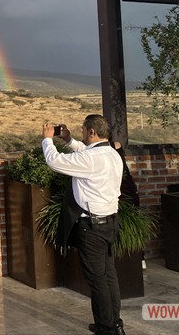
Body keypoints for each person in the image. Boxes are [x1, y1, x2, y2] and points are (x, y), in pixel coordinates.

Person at [43, 115, 125, 335]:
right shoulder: (112, 154)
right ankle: (114, 322)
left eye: (82, 130)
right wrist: (68, 139)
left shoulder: (92, 159)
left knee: (97, 280)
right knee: (109, 275)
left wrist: (48, 139)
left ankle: (106, 328)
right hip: (110, 223)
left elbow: (54, 161)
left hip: (92, 227)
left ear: (91, 132)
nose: (81, 133)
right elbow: (85, 153)